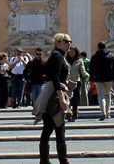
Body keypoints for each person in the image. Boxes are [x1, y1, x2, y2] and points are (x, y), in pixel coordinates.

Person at [36, 33, 73, 164]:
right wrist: (61, 97)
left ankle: (45, 160)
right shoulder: (57, 57)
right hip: (54, 96)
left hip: (52, 94)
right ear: (58, 43)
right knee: (59, 128)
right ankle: (63, 161)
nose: (69, 44)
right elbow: (55, 77)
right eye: (66, 41)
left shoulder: (58, 56)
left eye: (70, 41)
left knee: (49, 128)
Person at [89, 41, 114, 120]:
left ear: (98, 47)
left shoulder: (94, 57)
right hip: (109, 78)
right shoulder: (111, 56)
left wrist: (91, 79)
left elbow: (91, 69)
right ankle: (108, 113)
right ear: (105, 47)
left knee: (101, 96)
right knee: (108, 95)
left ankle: (103, 113)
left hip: (99, 78)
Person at [67, 47, 89, 122]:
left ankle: (75, 111)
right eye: (70, 52)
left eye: (72, 52)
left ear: (76, 52)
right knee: (68, 97)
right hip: (67, 81)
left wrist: (87, 75)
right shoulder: (65, 60)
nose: (71, 53)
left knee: (76, 97)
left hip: (77, 81)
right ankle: (69, 112)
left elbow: (82, 71)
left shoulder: (79, 60)